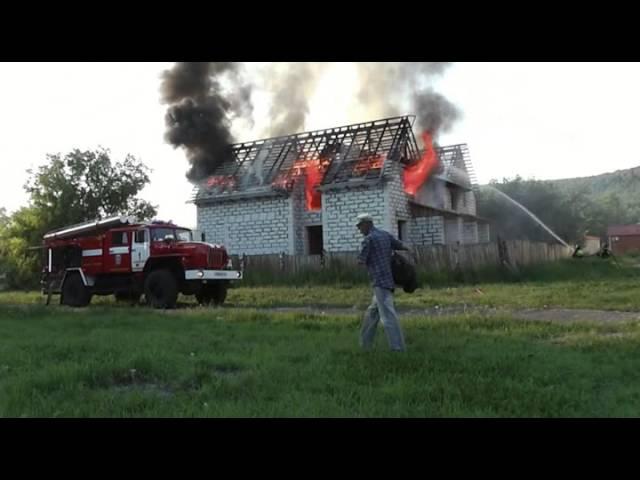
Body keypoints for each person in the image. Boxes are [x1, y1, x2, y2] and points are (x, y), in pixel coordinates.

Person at [356, 213, 410, 352]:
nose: (359, 230)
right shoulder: (385, 235)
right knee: (372, 313)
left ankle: (398, 349)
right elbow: (401, 245)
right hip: (389, 280)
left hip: (379, 282)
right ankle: (364, 345)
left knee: (388, 317)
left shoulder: (368, 240)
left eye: (360, 226)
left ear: (367, 224)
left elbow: (361, 261)